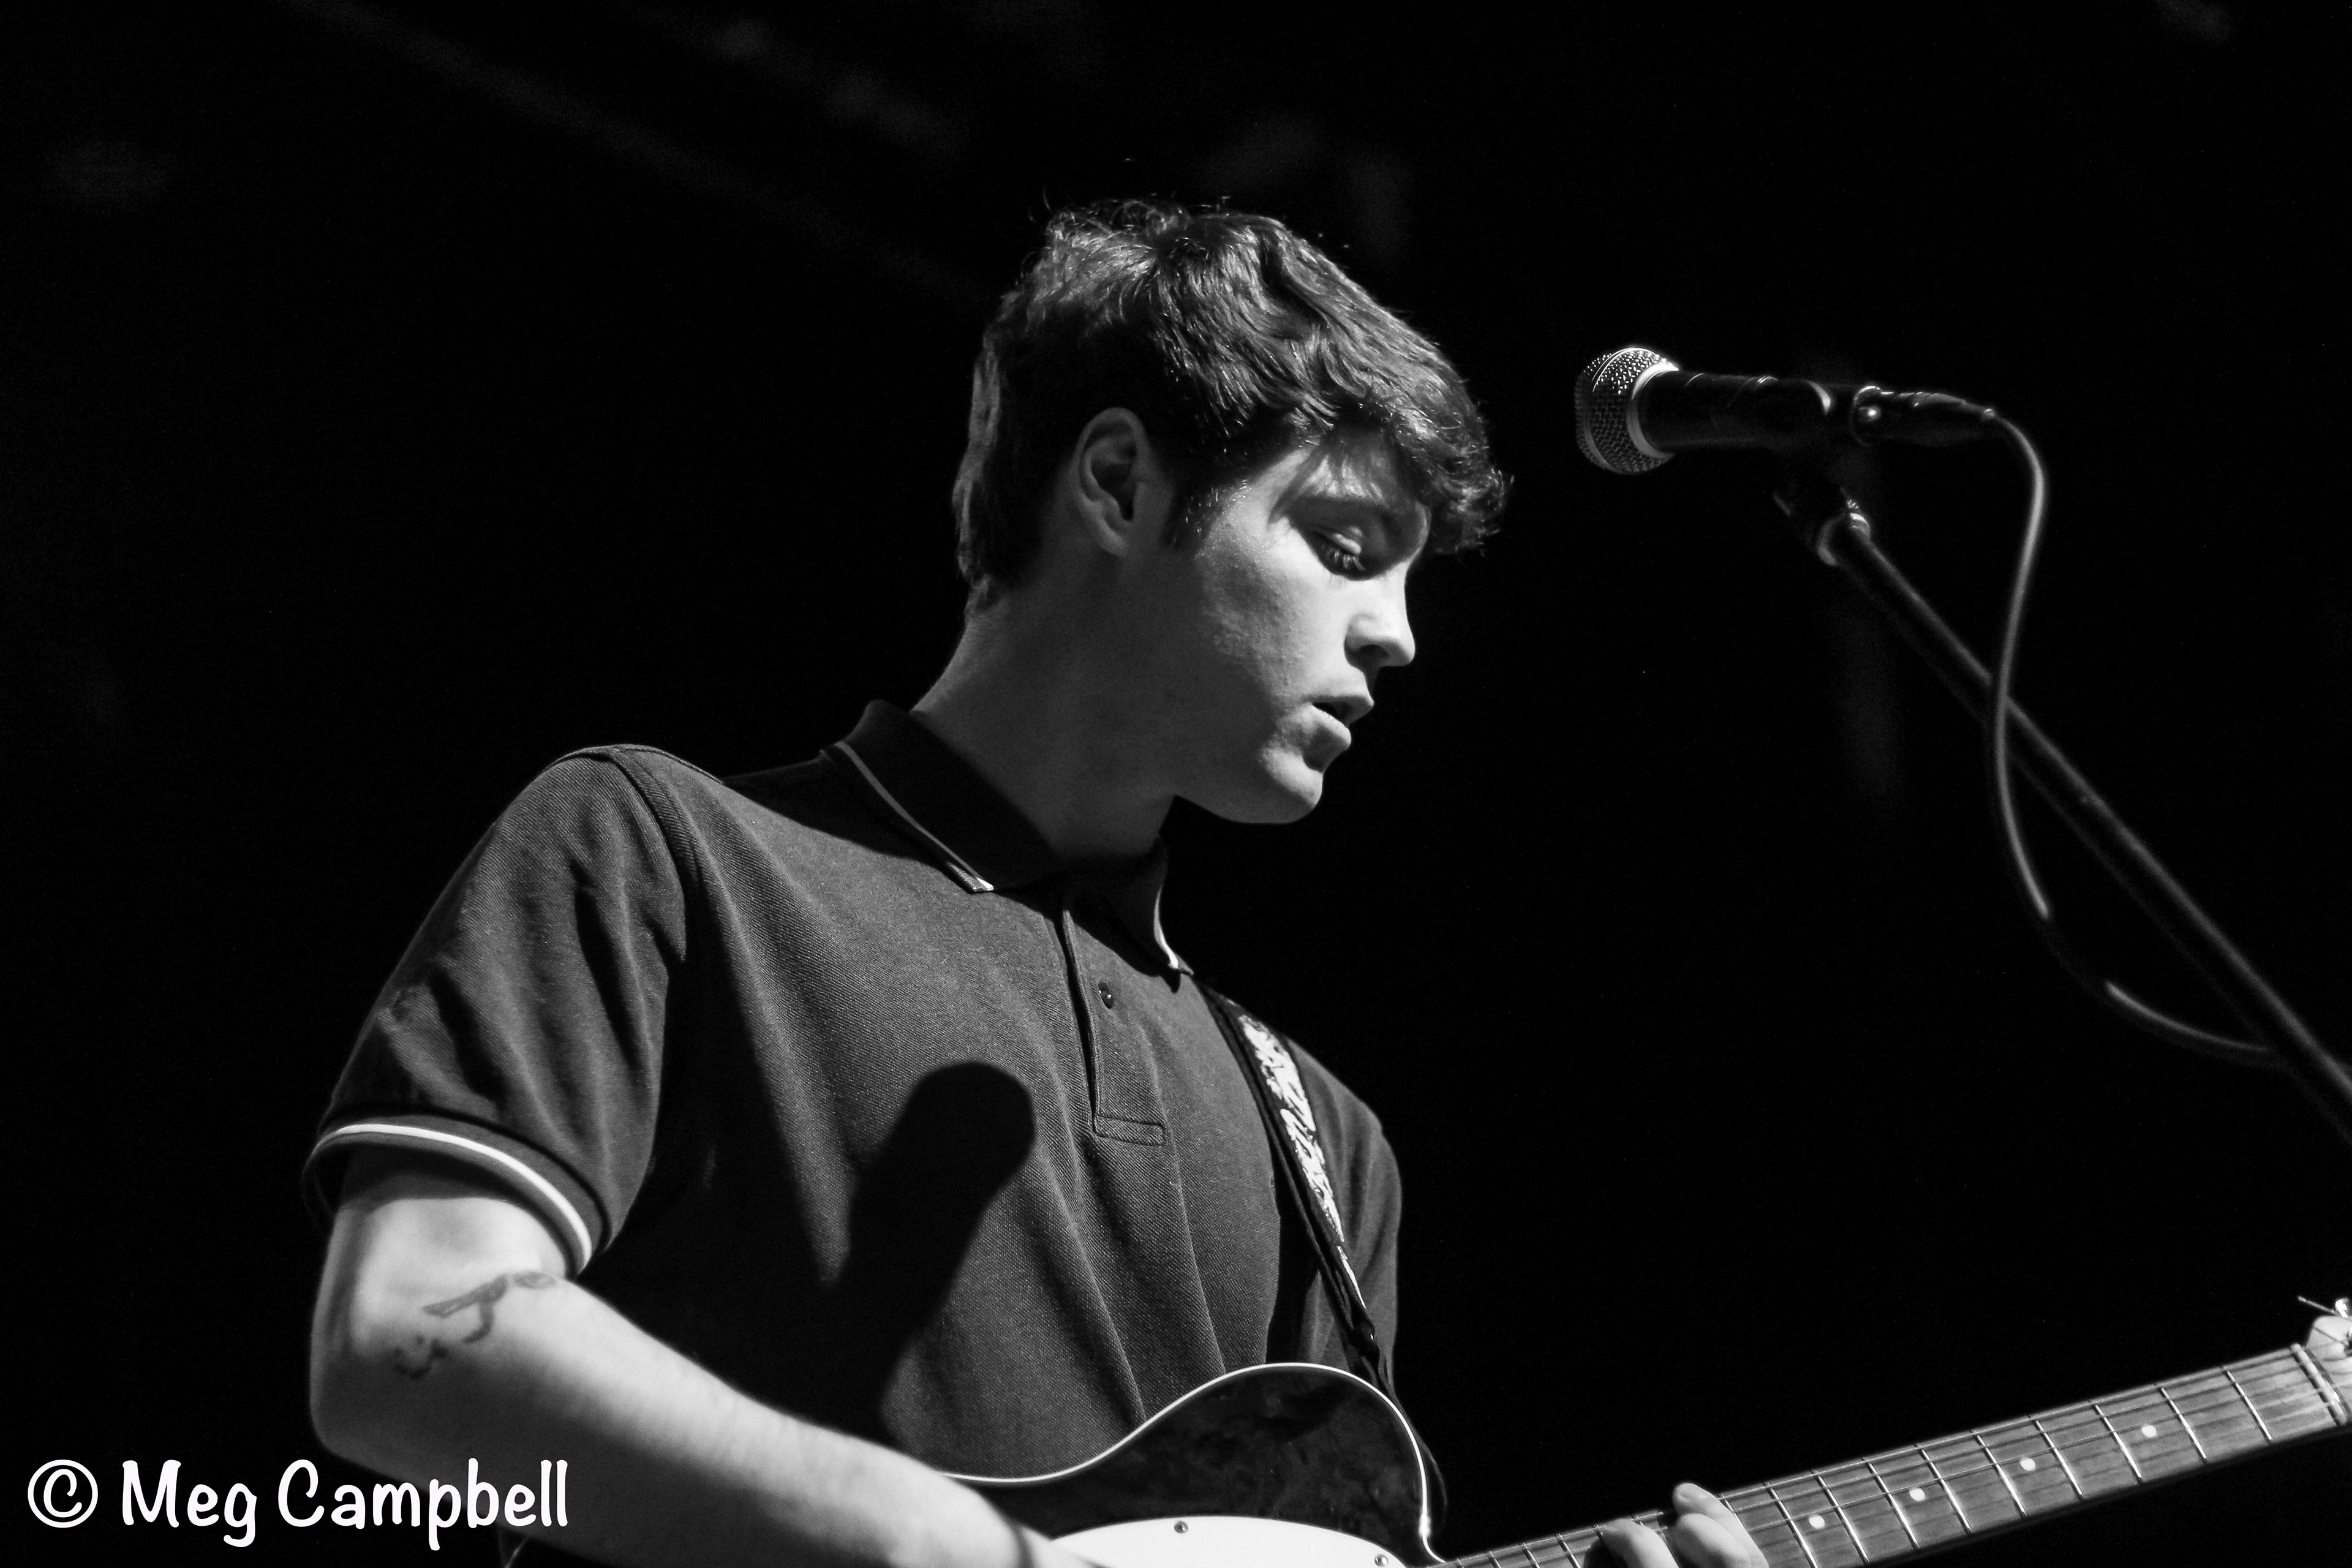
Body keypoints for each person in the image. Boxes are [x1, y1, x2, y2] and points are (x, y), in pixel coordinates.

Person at [304, 200, 1762, 1568]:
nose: (1400, 637)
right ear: (1120, 483)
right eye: (1345, 544)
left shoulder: (1327, 1138)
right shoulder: (661, 849)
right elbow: (401, 1343)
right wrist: (942, 1538)